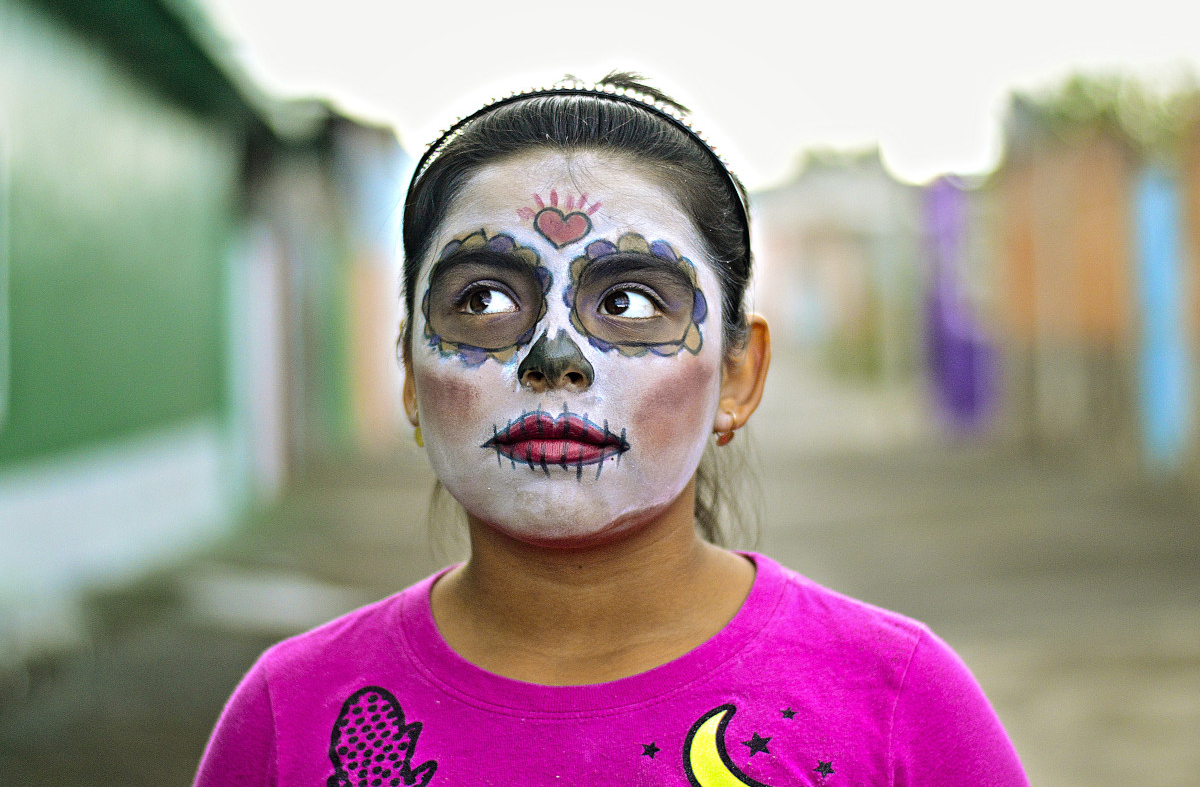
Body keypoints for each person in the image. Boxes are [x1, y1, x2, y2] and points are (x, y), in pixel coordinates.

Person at [195, 73, 1028, 786]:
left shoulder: (895, 701)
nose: (554, 358)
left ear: (739, 376)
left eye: (629, 302)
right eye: (483, 301)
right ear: (411, 377)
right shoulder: (292, 718)